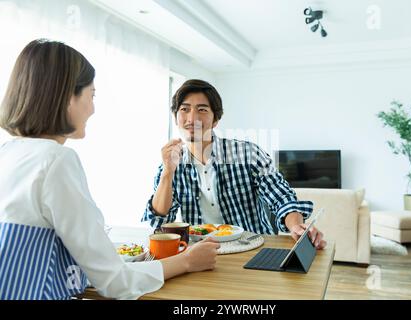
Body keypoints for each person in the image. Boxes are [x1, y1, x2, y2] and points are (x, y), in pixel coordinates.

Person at [0, 39, 219, 300]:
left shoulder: (7, 153)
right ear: (66, 97)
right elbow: (115, 282)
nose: (92, 109)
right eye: (91, 95)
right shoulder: (56, 160)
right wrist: (186, 261)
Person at [142, 79, 326, 249]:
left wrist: (297, 227)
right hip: (200, 253)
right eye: (185, 109)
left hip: (252, 248)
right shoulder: (170, 164)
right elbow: (159, 223)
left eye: (202, 110)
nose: (192, 118)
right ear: (176, 117)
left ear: (215, 120)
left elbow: (282, 198)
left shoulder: (248, 154)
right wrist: (167, 172)